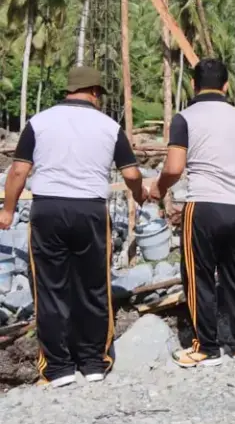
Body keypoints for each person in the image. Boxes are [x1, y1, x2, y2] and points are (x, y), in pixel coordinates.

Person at [0, 66, 146, 387]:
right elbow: (132, 174)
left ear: (68, 90)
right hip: (90, 210)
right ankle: (93, 362)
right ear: (95, 92)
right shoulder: (109, 126)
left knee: (50, 288)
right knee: (94, 286)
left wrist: (8, 210)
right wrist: (140, 195)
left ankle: (58, 368)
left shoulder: (38, 122)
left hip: (47, 209)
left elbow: (17, 172)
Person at [150, 59, 235, 367]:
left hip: (202, 206)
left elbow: (174, 167)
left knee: (199, 276)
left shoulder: (185, 118)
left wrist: (159, 189)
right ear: (226, 86)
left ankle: (206, 347)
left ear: (193, 84)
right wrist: (232, 180)